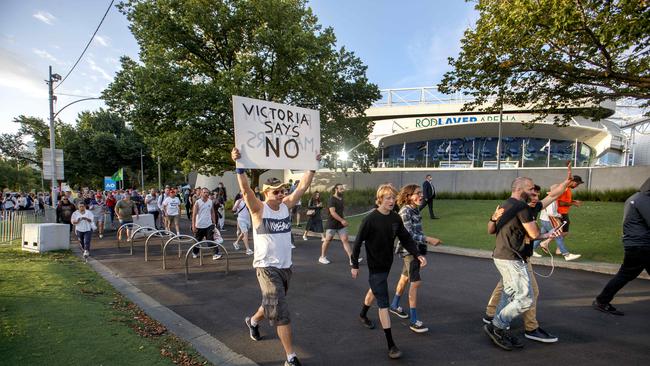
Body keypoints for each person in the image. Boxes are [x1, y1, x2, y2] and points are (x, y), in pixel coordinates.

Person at [233, 147, 317, 366]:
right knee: (281, 310)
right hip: (266, 268)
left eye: (282, 190)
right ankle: (290, 357)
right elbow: (245, 191)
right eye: (276, 191)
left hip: (285, 268)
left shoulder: (286, 207)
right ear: (265, 192)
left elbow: (303, 186)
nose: (281, 194)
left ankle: (252, 321)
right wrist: (239, 166)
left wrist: (312, 165)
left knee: (270, 303)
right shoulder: (258, 209)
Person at [483, 176, 568, 351]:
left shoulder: (505, 204)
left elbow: (491, 230)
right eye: (530, 188)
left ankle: (499, 326)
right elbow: (534, 233)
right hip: (512, 258)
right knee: (525, 298)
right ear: (520, 188)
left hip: (505, 256)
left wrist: (566, 183)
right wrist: (548, 233)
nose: (533, 192)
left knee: (508, 294)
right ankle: (497, 326)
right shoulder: (522, 206)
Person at [351, 184, 427, 359]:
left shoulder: (395, 218)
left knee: (375, 290)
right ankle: (391, 344)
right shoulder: (370, 219)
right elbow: (357, 243)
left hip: (387, 264)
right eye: (388, 198)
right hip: (375, 266)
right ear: (380, 200)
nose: (392, 201)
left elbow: (406, 238)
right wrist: (354, 265)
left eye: (393, 198)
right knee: (383, 301)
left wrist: (417, 254)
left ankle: (362, 314)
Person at [389, 184, 442, 333]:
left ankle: (394, 305)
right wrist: (428, 239)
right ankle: (413, 320)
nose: (421, 195)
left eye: (421, 193)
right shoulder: (405, 211)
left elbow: (416, 230)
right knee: (415, 282)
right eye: (417, 193)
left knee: (404, 278)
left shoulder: (414, 209)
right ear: (408, 197)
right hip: (409, 250)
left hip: (415, 249)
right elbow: (407, 234)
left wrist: (422, 247)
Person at [593, 177, 650, 316]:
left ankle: (602, 300)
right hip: (640, 245)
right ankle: (601, 300)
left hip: (638, 244)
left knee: (625, 274)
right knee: (625, 275)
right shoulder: (643, 200)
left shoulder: (636, 197)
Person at [532, 186, 581, 261]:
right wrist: (559, 215)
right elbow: (551, 212)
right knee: (558, 236)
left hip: (544, 219)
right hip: (549, 220)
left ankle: (531, 250)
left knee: (541, 235)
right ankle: (566, 255)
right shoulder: (552, 200)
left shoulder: (549, 198)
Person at [319, 183, 357, 264]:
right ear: (336, 189)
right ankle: (322, 257)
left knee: (345, 240)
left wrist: (343, 219)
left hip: (340, 224)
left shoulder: (341, 199)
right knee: (328, 240)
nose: (342, 190)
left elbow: (341, 211)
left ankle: (352, 259)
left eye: (343, 189)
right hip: (332, 224)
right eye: (341, 189)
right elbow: (332, 213)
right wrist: (342, 220)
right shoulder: (331, 199)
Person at [191, 187, 222, 260]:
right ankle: (195, 252)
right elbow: (194, 215)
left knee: (210, 240)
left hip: (208, 225)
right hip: (199, 225)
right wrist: (193, 226)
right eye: (204, 192)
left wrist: (214, 222)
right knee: (197, 241)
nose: (206, 194)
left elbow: (212, 212)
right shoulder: (198, 202)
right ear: (201, 193)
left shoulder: (210, 201)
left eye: (207, 192)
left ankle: (215, 254)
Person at [556, 175, 583, 254]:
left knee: (556, 232)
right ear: (572, 181)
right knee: (562, 232)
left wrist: (574, 201)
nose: (577, 186)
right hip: (560, 213)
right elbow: (560, 202)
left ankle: (558, 248)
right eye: (577, 184)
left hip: (563, 212)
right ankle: (551, 245)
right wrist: (573, 204)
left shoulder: (567, 189)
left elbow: (566, 200)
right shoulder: (563, 189)